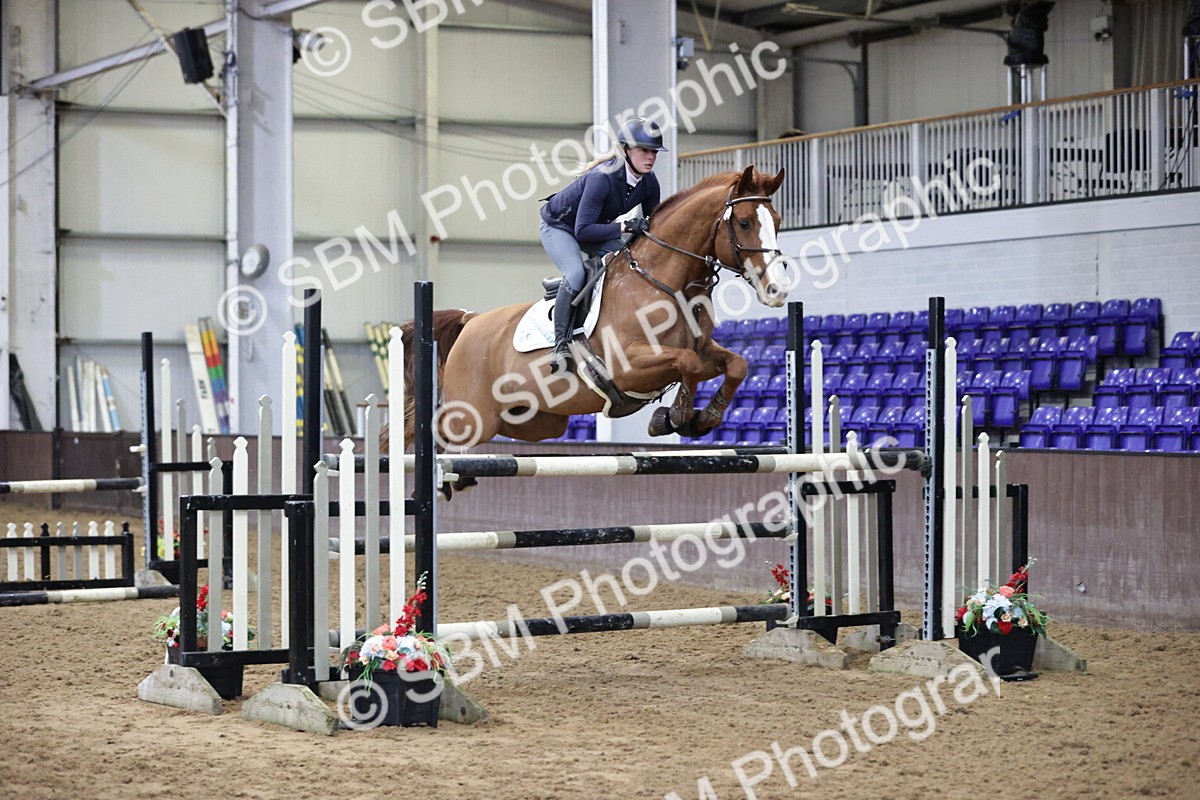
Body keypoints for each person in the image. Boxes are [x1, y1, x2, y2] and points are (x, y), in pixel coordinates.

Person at [539, 116, 666, 373]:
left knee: (629, 265)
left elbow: (655, 226)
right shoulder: (602, 178)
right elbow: (582, 230)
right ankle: (561, 345)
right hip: (560, 227)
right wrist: (627, 226)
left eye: (653, 152)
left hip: (594, 229)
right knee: (575, 273)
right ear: (625, 150)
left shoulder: (649, 183)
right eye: (644, 150)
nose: (650, 157)